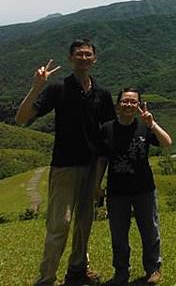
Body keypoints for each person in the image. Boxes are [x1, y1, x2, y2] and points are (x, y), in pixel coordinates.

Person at [16, 39, 116, 286]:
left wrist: (101, 177)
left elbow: (108, 134)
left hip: (93, 167)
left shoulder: (101, 94)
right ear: (71, 59)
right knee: (60, 224)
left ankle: (78, 270)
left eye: (88, 54)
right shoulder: (58, 89)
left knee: (85, 223)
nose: (84, 58)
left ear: (95, 59)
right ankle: (47, 278)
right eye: (79, 54)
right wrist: (36, 87)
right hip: (64, 166)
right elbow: (21, 119)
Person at [96, 88, 172, 285]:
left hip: (144, 188)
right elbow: (102, 160)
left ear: (138, 105)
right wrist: (97, 185)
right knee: (118, 233)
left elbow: (167, 143)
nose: (128, 105)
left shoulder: (145, 127)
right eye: (125, 101)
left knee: (150, 230)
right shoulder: (107, 129)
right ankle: (121, 271)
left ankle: (153, 269)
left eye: (133, 102)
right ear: (118, 105)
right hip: (117, 190)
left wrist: (152, 123)